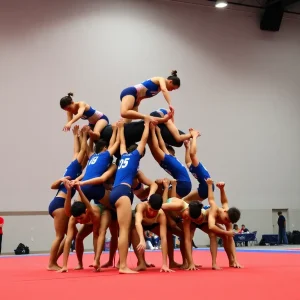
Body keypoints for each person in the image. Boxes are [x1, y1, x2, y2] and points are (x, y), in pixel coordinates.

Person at [109, 117, 150, 274]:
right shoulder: (134, 157)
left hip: (115, 191)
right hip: (124, 192)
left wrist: (120, 128)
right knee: (124, 230)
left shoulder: (124, 156)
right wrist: (146, 125)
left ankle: (125, 263)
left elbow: (122, 144)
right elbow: (144, 140)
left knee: (123, 229)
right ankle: (123, 266)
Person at [47, 125, 86, 271]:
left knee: (72, 234)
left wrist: (75, 135)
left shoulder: (71, 166)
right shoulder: (76, 167)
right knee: (60, 236)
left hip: (56, 202)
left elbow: (77, 151)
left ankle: (55, 260)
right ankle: (51, 263)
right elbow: (82, 151)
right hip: (61, 204)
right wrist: (83, 136)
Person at [190, 179, 242, 270]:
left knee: (225, 237)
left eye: (228, 221)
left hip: (204, 223)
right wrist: (210, 185)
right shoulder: (215, 209)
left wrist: (222, 189)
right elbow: (211, 226)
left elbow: (225, 202)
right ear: (225, 211)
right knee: (210, 234)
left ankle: (231, 261)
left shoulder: (228, 219)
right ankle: (210, 263)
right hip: (196, 220)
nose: (226, 222)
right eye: (226, 219)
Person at [58, 182, 111, 273]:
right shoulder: (73, 219)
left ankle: (96, 261)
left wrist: (96, 260)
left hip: (103, 212)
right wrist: (64, 265)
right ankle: (80, 263)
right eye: (77, 219)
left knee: (100, 233)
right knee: (78, 238)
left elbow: (96, 237)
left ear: (86, 212)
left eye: (81, 218)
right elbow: (68, 240)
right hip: (90, 219)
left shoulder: (93, 214)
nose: (79, 221)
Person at [131, 194, 173, 273]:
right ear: (148, 204)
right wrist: (142, 239)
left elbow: (163, 238)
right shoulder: (141, 206)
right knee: (133, 231)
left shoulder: (161, 214)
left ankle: (171, 261)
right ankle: (141, 262)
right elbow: (137, 223)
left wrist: (164, 264)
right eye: (150, 209)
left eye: (155, 211)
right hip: (140, 224)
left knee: (168, 234)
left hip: (153, 225)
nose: (152, 213)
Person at [148, 124, 192, 198]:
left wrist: (152, 130)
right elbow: (162, 146)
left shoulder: (168, 159)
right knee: (165, 200)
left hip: (183, 184)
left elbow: (156, 147)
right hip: (184, 183)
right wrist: (158, 132)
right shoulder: (170, 158)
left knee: (166, 202)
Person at [183, 129, 214, 202]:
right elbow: (188, 162)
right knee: (187, 201)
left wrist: (194, 137)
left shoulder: (196, 166)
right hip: (205, 186)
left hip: (206, 187)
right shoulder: (193, 167)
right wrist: (187, 147)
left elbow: (192, 154)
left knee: (186, 201)